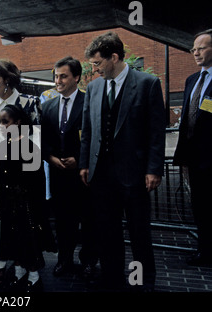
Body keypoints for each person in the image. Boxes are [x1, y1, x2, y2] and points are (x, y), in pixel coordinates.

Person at [79, 32, 166, 292]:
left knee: (139, 233)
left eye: (97, 64)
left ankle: (142, 280)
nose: (94, 70)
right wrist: (84, 163)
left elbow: (155, 132)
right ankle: (112, 278)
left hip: (135, 174)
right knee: (107, 231)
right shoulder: (94, 87)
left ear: (114, 57)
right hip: (101, 175)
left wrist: (153, 169)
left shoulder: (147, 83)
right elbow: (88, 130)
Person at [0, 59, 41, 286]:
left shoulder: (27, 102)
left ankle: (26, 264)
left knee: (24, 222)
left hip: (22, 175)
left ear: (7, 80)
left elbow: (35, 139)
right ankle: (1, 265)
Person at [41, 56, 97, 280]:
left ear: (76, 77)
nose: (58, 80)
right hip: (59, 176)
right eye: (56, 76)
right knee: (64, 222)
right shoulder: (48, 106)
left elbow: (95, 137)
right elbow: (42, 138)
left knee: (89, 221)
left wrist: (80, 159)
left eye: (63, 76)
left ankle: (89, 262)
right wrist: (50, 157)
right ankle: (64, 260)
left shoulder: (90, 103)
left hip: (83, 176)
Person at [0, 104, 55, 292]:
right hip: (9, 203)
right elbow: (0, 177)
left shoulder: (29, 147)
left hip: (27, 204)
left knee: (28, 240)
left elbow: (37, 181)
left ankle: (34, 275)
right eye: (0, 123)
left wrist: (38, 207)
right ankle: (19, 272)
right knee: (12, 239)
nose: (2, 127)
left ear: (18, 122)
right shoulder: (3, 146)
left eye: (6, 122)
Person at [173, 29, 212, 267]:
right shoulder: (191, 80)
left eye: (202, 48)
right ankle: (205, 251)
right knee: (201, 208)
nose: (196, 53)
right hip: (195, 160)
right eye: (193, 49)